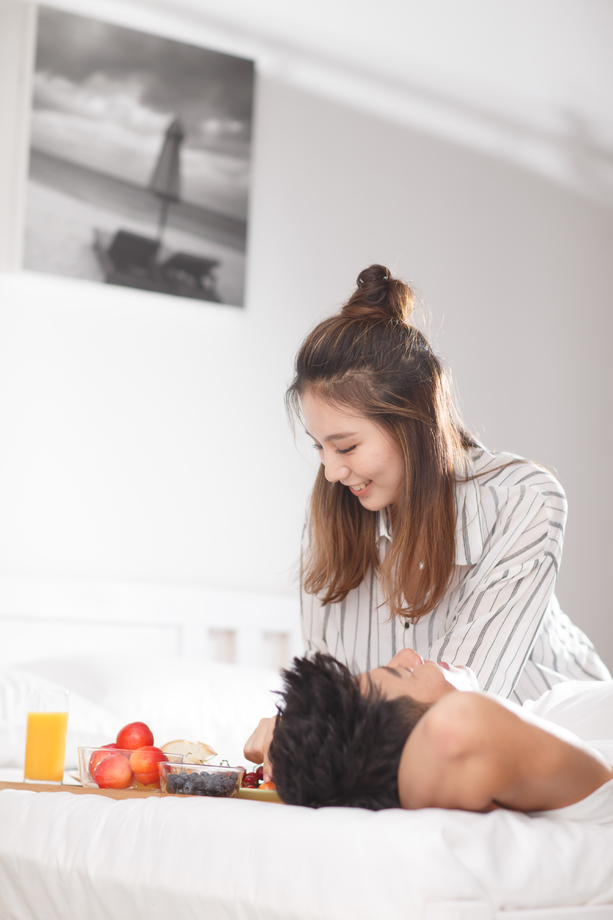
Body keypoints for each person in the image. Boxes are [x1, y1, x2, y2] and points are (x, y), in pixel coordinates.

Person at [243, 263, 610, 776]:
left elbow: (456, 699)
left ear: (413, 420)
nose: (330, 472)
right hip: (428, 768)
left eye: (345, 445)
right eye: (319, 447)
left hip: (573, 748)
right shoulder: (333, 523)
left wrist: (314, 732)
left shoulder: (523, 501)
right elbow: (338, 695)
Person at [268, 650, 613, 820]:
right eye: (404, 672)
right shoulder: (462, 741)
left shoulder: (547, 711)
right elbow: (454, 730)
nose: (409, 654)